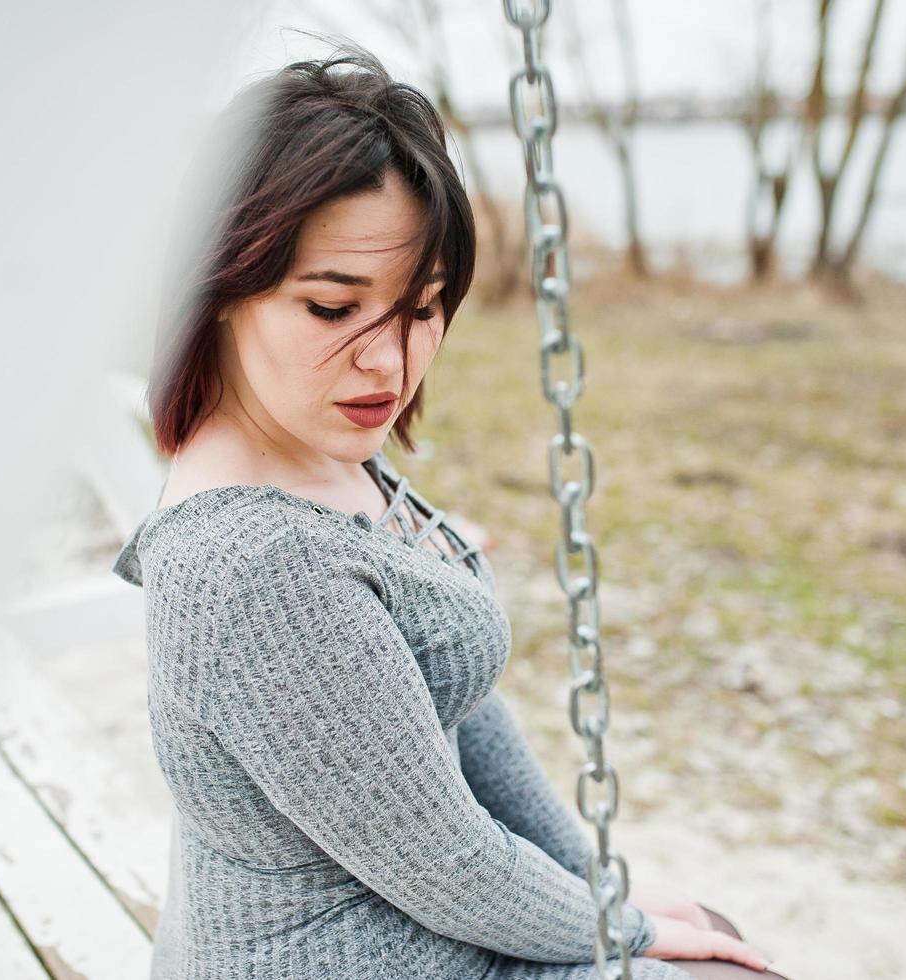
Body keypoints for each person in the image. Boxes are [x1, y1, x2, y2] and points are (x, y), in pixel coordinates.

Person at [111, 43, 788, 980]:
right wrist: (622, 931)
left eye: (423, 307)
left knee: (713, 934)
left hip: (399, 924)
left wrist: (598, 887)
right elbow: (447, 863)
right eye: (330, 307)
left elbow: (455, 710)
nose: (388, 365)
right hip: (340, 956)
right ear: (222, 285)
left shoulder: (320, 450)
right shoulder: (256, 561)